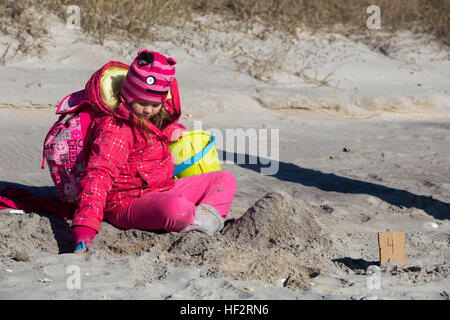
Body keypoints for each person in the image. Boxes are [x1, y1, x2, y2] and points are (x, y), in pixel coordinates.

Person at [71, 49, 236, 251]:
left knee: (224, 179)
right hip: (125, 202)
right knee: (177, 209)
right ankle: (192, 219)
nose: (148, 110)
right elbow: (99, 175)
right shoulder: (117, 129)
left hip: (161, 187)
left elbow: (155, 132)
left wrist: (172, 130)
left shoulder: (152, 118)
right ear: (128, 95)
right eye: (142, 103)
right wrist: (85, 226)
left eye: (155, 104)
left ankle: (201, 225)